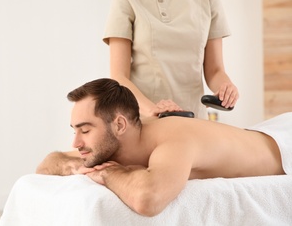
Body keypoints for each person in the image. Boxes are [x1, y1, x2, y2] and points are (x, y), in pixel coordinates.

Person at [36, 78, 292, 217]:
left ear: (119, 124)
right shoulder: (113, 142)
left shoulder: (174, 138)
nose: (75, 143)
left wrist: (105, 173)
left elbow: (148, 199)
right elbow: (49, 162)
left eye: (85, 130)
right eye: (74, 130)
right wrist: (77, 164)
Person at [103, 0, 239, 119]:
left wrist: (226, 88)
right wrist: (153, 110)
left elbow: (215, 71)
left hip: (194, 119)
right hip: (146, 121)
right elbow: (119, 77)